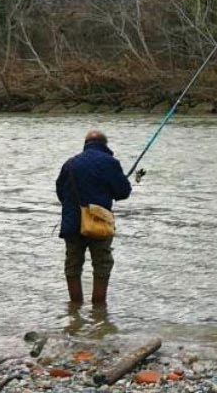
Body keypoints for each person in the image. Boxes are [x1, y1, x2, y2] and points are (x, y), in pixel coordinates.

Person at [56, 129, 131, 307]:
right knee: (102, 265)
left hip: (72, 224)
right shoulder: (110, 163)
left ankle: (75, 307)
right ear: (105, 145)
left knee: (72, 266)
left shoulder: (69, 164)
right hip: (99, 223)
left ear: (85, 145)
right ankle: (99, 309)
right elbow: (123, 192)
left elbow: (60, 193)